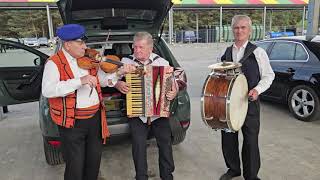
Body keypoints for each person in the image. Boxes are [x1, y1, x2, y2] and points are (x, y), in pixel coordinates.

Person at [41, 24, 124, 180]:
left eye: (85, 42)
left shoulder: (89, 59)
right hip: (73, 123)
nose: (85, 47)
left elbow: (104, 81)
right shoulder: (54, 63)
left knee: (93, 162)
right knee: (75, 166)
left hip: (94, 119)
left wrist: (119, 73)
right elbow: (48, 90)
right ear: (67, 44)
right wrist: (79, 81)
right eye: (81, 43)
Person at [113, 32, 178, 180]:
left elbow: (173, 82)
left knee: (165, 144)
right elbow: (111, 79)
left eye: (141, 47)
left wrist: (174, 91)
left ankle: (167, 176)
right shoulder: (126, 61)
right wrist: (118, 83)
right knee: (138, 146)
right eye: (134, 47)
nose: (137, 51)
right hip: (137, 112)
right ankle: (141, 177)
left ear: (151, 48)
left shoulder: (162, 62)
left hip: (158, 113)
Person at [218, 15, 275, 180]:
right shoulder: (225, 52)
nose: (239, 31)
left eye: (243, 28)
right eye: (236, 27)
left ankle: (251, 175)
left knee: (250, 141)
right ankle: (233, 169)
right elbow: (216, 75)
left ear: (249, 31)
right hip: (228, 104)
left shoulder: (258, 52)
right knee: (228, 138)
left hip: (250, 103)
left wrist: (257, 90)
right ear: (232, 30)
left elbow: (269, 76)